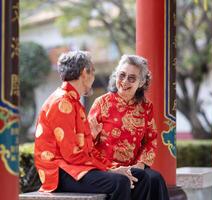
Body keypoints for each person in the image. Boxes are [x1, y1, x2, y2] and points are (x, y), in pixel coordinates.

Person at [34, 51, 150, 200]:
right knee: (120, 182)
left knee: (140, 176)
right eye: (93, 72)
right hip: (59, 172)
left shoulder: (74, 102)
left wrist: (113, 167)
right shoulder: (62, 103)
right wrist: (110, 170)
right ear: (84, 73)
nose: (93, 78)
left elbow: (87, 150)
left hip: (75, 167)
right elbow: (72, 155)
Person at [88, 54, 169, 200]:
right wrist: (92, 135)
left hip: (135, 166)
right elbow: (87, 143)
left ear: (141, 82)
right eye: (122, 75)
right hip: (107, 167)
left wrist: (141, 164)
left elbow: (151, 140)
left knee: (155, 179)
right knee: (139, 179)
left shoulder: (146, 106)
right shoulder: (101, 103)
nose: (125, 81)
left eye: (132, 78)